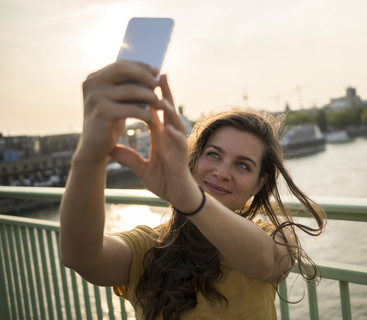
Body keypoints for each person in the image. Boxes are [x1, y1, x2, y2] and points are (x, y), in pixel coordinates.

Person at [59, 60, 326, 320]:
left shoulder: (276, 236)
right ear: (194, 160)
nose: (221, 172)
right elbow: (82, 257)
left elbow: (267, 264)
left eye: (242, 166)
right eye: (213, 155)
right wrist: (91, 154)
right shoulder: (149, 247)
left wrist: (189, 197)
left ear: (260, 184)